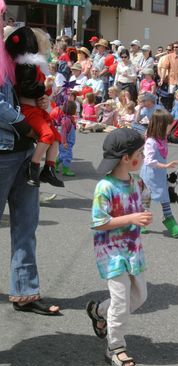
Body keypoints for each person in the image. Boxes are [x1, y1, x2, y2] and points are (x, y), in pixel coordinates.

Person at [0, 0, 59, 315]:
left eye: (3, 15)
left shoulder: (10, 53)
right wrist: (23, 123)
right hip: (4, 149)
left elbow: (20, 93)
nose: (3, 20)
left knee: (26, 224)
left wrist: (39, 99)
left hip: (23, 148)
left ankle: (25, 293)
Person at [87, 128, 152, 366]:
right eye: (140, 153)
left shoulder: (136, 182)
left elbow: (143, 199)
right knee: (122, 299)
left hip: (133, 249)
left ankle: (99, 311)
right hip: (111, 252)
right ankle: (115, 347)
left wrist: (143, 215)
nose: (143, 157)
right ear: (126, 158)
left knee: (139, 296)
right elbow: (98, 222)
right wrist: (132, 218)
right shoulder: (105, 187)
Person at [5, 26, 64, 188]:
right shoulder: (26, 66)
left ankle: (49, 168)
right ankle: (34, 168)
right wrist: (44, 88)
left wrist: (46, 91)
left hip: (37, 109)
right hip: (29, 110)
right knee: (46, 134)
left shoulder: (35, 66)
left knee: (56, 137)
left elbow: (41, 90)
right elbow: (28, 88)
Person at [140, 110, 178, 237]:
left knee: (165, 197)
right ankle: (140, 223)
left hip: (160, 173)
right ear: (161, 126)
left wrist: (164, 167)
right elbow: (149, 161)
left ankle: (172, 226)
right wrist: (166, 165)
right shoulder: (151, 141)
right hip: (150, 174)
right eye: (169, 125)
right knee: (146, 199)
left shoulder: (162, 139)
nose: (171, 127)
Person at [56, 100, 76, 176]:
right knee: (68, 156)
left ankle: (54, 164)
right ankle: (66, 170)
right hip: (66, 143)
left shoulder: (69, 118)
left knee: (62, 155)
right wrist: (64, 142)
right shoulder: (67, 120)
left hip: (67, 143)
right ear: (73, 110)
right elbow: (63, 132)